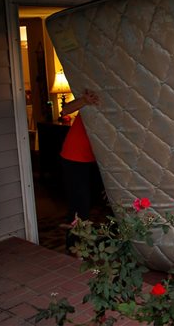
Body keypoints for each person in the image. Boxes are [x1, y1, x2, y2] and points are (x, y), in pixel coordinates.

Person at [59, 89, 103, 250]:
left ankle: (83, 242)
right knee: (79, 205)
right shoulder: (89, 101)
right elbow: (64, 110)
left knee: (89, 203)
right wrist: (84, 100)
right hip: (73, 157)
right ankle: (74, 247)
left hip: (89, 159)